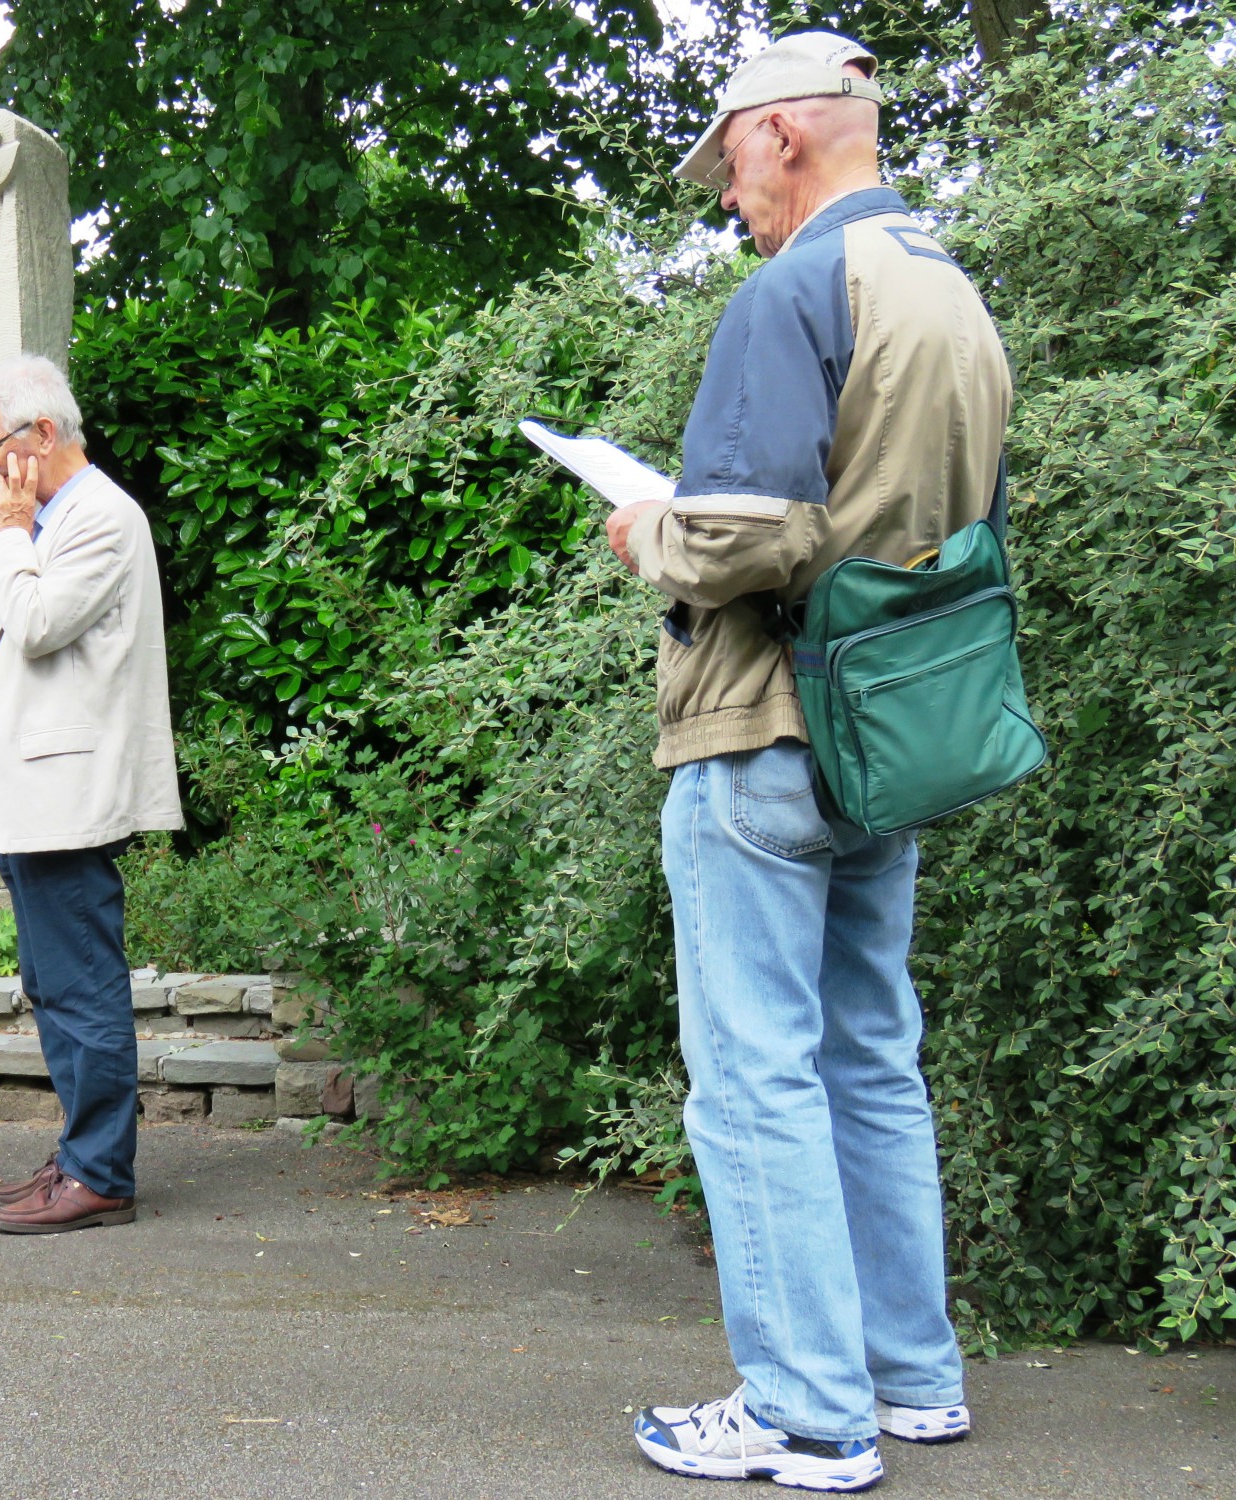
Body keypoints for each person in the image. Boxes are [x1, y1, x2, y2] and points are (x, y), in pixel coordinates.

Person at [602, 32, 1012, 1492]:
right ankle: (911, 1380)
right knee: (871, 1058)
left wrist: (644, 525)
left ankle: (804, 1415)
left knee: (753, 1076)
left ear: (781, 135)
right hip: (888, 736)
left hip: (766, 730)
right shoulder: (951, 290)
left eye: (730, 164)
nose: (729, 198)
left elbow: (753, 533)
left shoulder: (796, 289)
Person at [0, 353, 185, 1235]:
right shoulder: (57, 519)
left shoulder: (98, 517)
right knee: (53, 985)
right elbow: (46, 638)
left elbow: (42, 621)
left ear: (43, 434)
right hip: (35, 793)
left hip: (67, 794)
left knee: (82, 988)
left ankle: (101, 1176)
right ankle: (82, 1157)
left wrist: (8, 534)